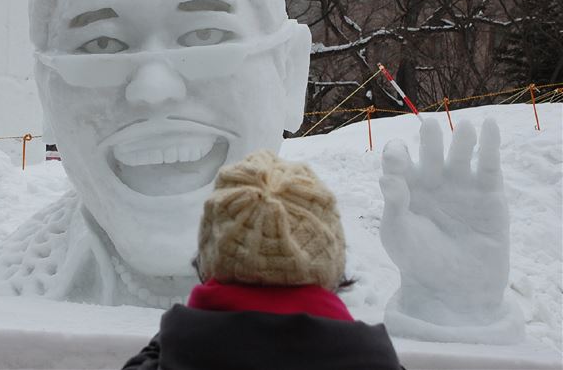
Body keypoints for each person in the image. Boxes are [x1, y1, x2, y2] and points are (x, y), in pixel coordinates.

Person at [0, 0, 312, 306]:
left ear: (288, 73)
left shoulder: (380, 296)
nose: (154, 89)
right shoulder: (12, 295)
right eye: (101, 45)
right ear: (46, 92)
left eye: (206, 35)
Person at [122, 150, 403, 369]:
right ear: (331, 263)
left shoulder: (170, 355)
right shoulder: (375, 360)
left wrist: (177, 336)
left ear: (209, 259)